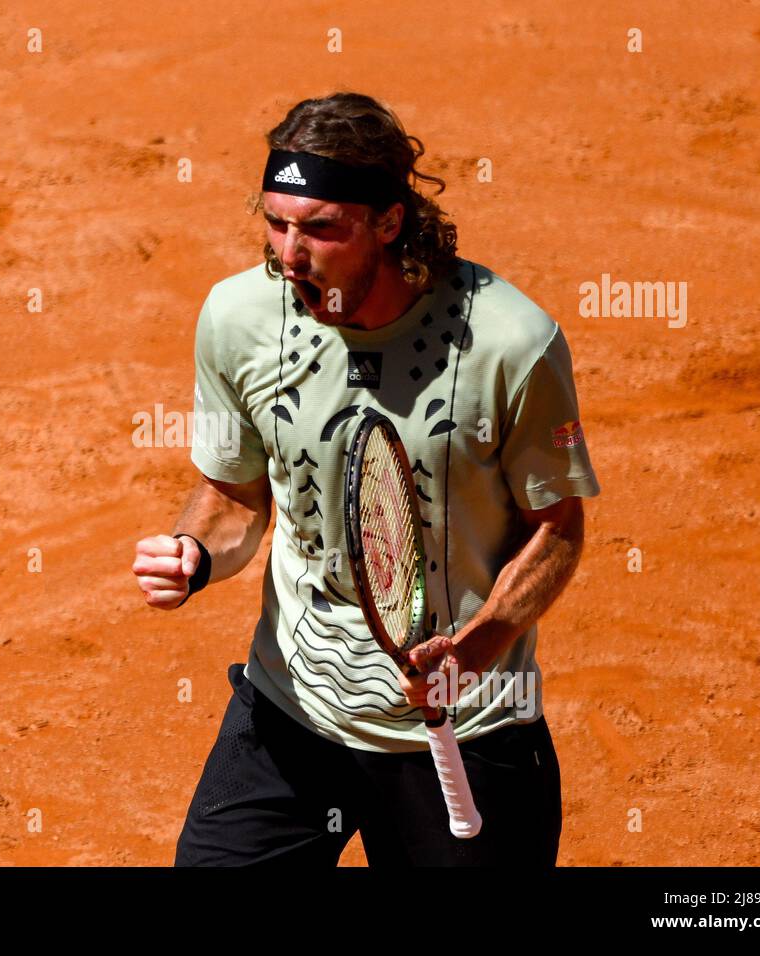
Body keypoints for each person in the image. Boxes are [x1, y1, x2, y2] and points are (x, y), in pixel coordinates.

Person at [131, 91, 600, 866]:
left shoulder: (510, 344)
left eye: (320, 228)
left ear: (389, 222)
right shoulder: (238, 318)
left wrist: (475, 649)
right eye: (275, 222)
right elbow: (233, 494)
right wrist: (193, 550)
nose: (289, 254)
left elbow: (558, 530)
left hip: (466, 729)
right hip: (289, 712)